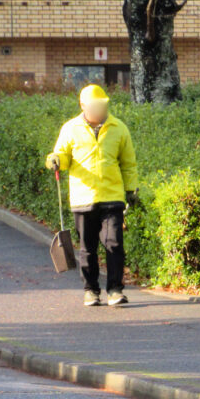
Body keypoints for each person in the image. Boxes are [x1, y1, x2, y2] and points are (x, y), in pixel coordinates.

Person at [45, 84, 138, 307]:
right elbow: (63, 157)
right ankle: (91, 291)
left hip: (112, 196)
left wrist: (131, 189)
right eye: (96, 106)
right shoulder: (70, 128)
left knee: (114, 244)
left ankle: (115, 290)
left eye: (103, 106)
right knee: (88, 248)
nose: (100, 110)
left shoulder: (119, 128)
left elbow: (128, 163)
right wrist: (54, 160)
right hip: (83, 198)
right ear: (83, 106)